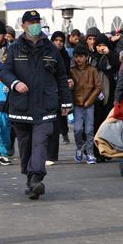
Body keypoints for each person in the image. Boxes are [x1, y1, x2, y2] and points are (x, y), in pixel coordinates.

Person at [0, 10, 72, 200]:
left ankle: (36, 178)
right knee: (26, 145)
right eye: (30, 22)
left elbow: (62, 77)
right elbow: (4, 72)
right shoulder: (14, 49)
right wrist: (15, 84)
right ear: (23, 25)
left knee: (40, 142)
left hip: (45, 106)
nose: (34, 25)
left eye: (37, 21)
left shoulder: (51, 49)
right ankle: (30, 177)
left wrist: (66, 102)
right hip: (21, 107)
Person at [69, 42, 102, 164]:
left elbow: (98, 87)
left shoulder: (92, 70)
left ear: (87, 57)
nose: (78, 59)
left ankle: (90, 153)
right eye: (76, 56)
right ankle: (79, 148)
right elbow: (69, 86)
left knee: (89, 130)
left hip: (89, 104)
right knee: (77, 129)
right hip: (77, 104)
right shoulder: (71, 71)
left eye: (81, 56)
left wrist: (89, 101)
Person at [90, 32, 120, 161]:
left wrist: (108, 53)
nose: (101, 47)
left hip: (109, 94)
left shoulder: (111, 56)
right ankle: (97, 152)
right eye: (99, 45)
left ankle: (107, 151)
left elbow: (116, 66)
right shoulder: (92, 58)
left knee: (108, 124)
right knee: (96, 124)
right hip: (94, 95)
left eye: (104, 45)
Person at [47, 31, 72, 162]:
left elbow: (66, 74)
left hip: (60, 92)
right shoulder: (46, 54)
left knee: (56, 123)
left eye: (61, 41)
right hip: (48, 92)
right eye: (56, 40)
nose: (59, 43)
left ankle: (52, 155)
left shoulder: (66, 56)